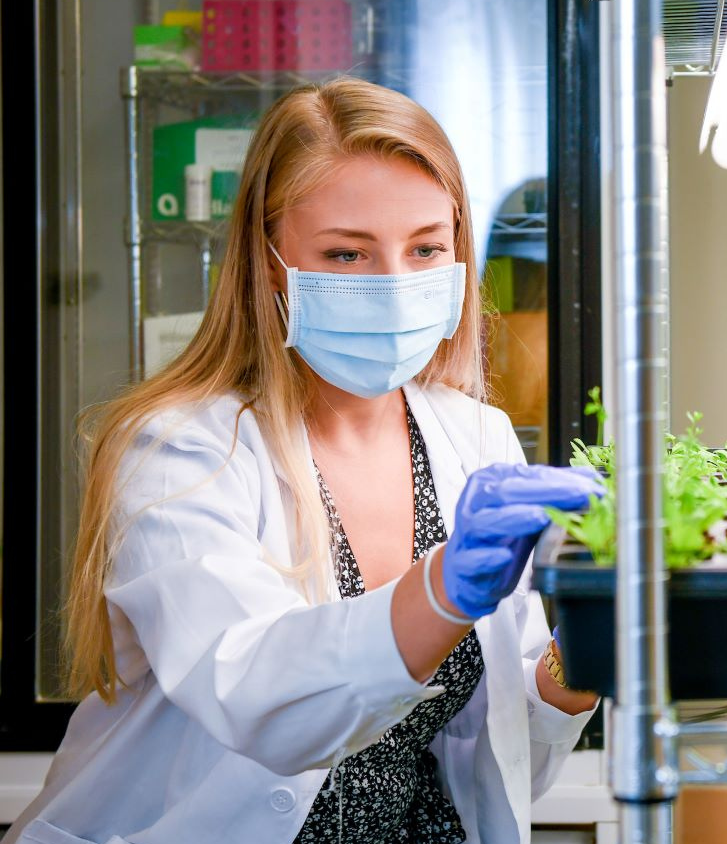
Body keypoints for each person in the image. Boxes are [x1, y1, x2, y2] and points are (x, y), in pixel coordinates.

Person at [4, 77, 602, 844]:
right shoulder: (181, 449)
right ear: (270, 258)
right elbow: (256, 697)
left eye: (426, 248)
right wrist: (443, 588)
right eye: (347, 254)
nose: (395, 284)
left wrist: (578, 662)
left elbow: (497, 759)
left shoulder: (474, 436)